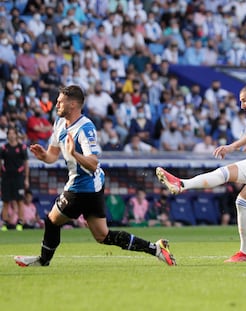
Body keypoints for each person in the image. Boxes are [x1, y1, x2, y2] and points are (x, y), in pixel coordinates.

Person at [14, 85, 176, 267]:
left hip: (83, 186)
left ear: (73, 104)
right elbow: (52, 156)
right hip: (90, 185)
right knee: (102, 235)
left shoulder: (85, 128)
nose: (56, 105)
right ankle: (156, 249)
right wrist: (44, 155)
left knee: (52, 220)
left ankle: (43, 261)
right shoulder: (59, 123)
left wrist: (74, 154)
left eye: (60, 102)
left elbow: (92, 164)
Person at [156, 84, 246, 262]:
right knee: (223, 173)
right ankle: (182, 184)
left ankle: (245, 252)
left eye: (244, 101)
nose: (241, 106)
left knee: (243, 201)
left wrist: (232, 147)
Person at [0, 127, 30, 231]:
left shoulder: (22, 147)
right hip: (6, 178)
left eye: (13, 134)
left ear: (16, 135)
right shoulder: (4, 148)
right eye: (10, 134)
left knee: (19, 201)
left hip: (18, 178)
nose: (11, 136)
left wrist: (26, 179)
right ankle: (4, 223)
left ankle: (20, 223)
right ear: (7, 135)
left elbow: (26, 164)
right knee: (6, 201)